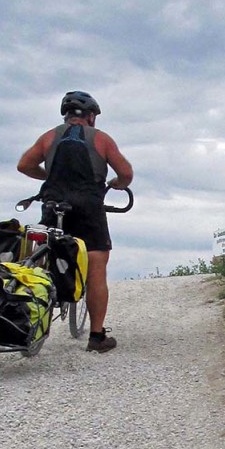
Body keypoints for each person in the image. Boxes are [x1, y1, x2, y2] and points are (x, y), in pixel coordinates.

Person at [17, 91, 134, 353]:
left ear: (66, 116)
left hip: (53, 204)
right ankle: (96, 336)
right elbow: (126, 173)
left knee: (41, 259)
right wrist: (116, 184)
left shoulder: (49, 137)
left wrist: (51, 176)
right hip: (88, 208)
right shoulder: (101, 139)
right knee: (95, 267)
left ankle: (29, 322)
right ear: (91, 117)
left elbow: (24, 165)